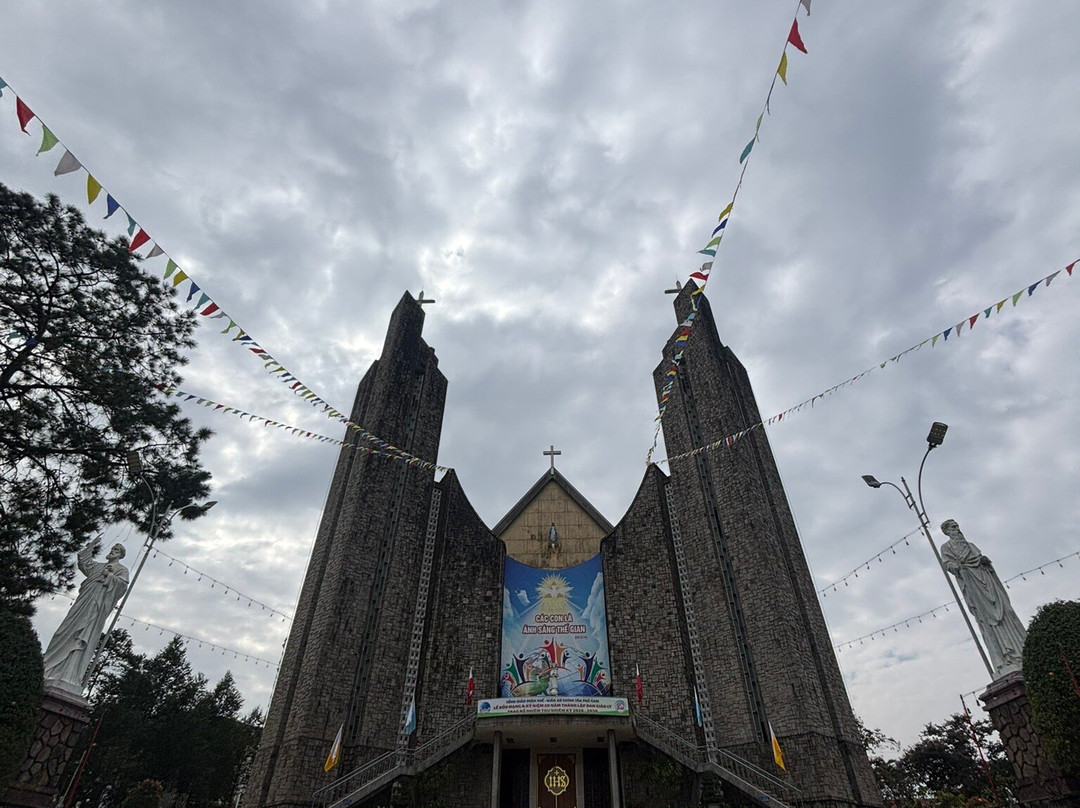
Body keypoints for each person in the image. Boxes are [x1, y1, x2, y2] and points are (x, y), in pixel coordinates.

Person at [939, 519, 1026, 678]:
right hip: (973, 585)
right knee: (988, 621)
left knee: (1007, 613)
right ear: (946, 531)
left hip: (987, 581)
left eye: (957, 526)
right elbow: (949, 565)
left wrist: (984, 561)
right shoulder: (946, 548)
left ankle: (1021, 652)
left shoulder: (970, 545)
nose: (957, 529)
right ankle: (1005, 659)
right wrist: (957, 567)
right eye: (953, 527)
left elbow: (980, 559)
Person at [42, 540, 129, 693]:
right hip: (83, 602)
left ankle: (69, 676)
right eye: (113, 548)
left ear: (121, 555)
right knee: (64, 631)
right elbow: (83, 562)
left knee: (82, 636)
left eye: (117, 550)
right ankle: (49, 669)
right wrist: (90, 546)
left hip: (96, 607)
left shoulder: (122, 570)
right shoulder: (98, 566)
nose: (113, 550)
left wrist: (109, 576)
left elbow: (122, 587)